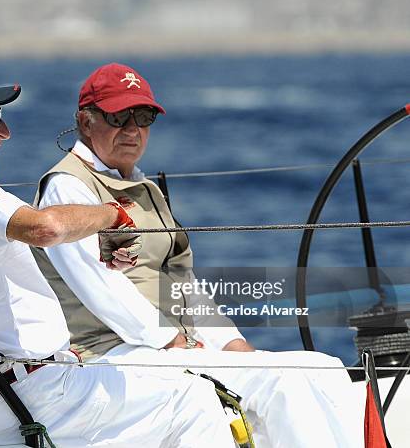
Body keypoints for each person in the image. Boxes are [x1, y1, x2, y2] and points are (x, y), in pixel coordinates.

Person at [0, 68, 237, 447]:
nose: (4, 133)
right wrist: (113, 215)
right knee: (195, 398)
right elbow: (43, 227)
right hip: (30, 395)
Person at [34, 62, 365, 448]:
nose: (132, 129)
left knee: (324, 368)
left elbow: (181, 280)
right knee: (280, 381)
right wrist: (170, 340)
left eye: (142, 116)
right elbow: (101, 288)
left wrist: (230, 341)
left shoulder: (139, 185)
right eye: (118, 115)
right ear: (86, 122)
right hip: (115, 353)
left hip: (169, 345)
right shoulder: (68, 188)